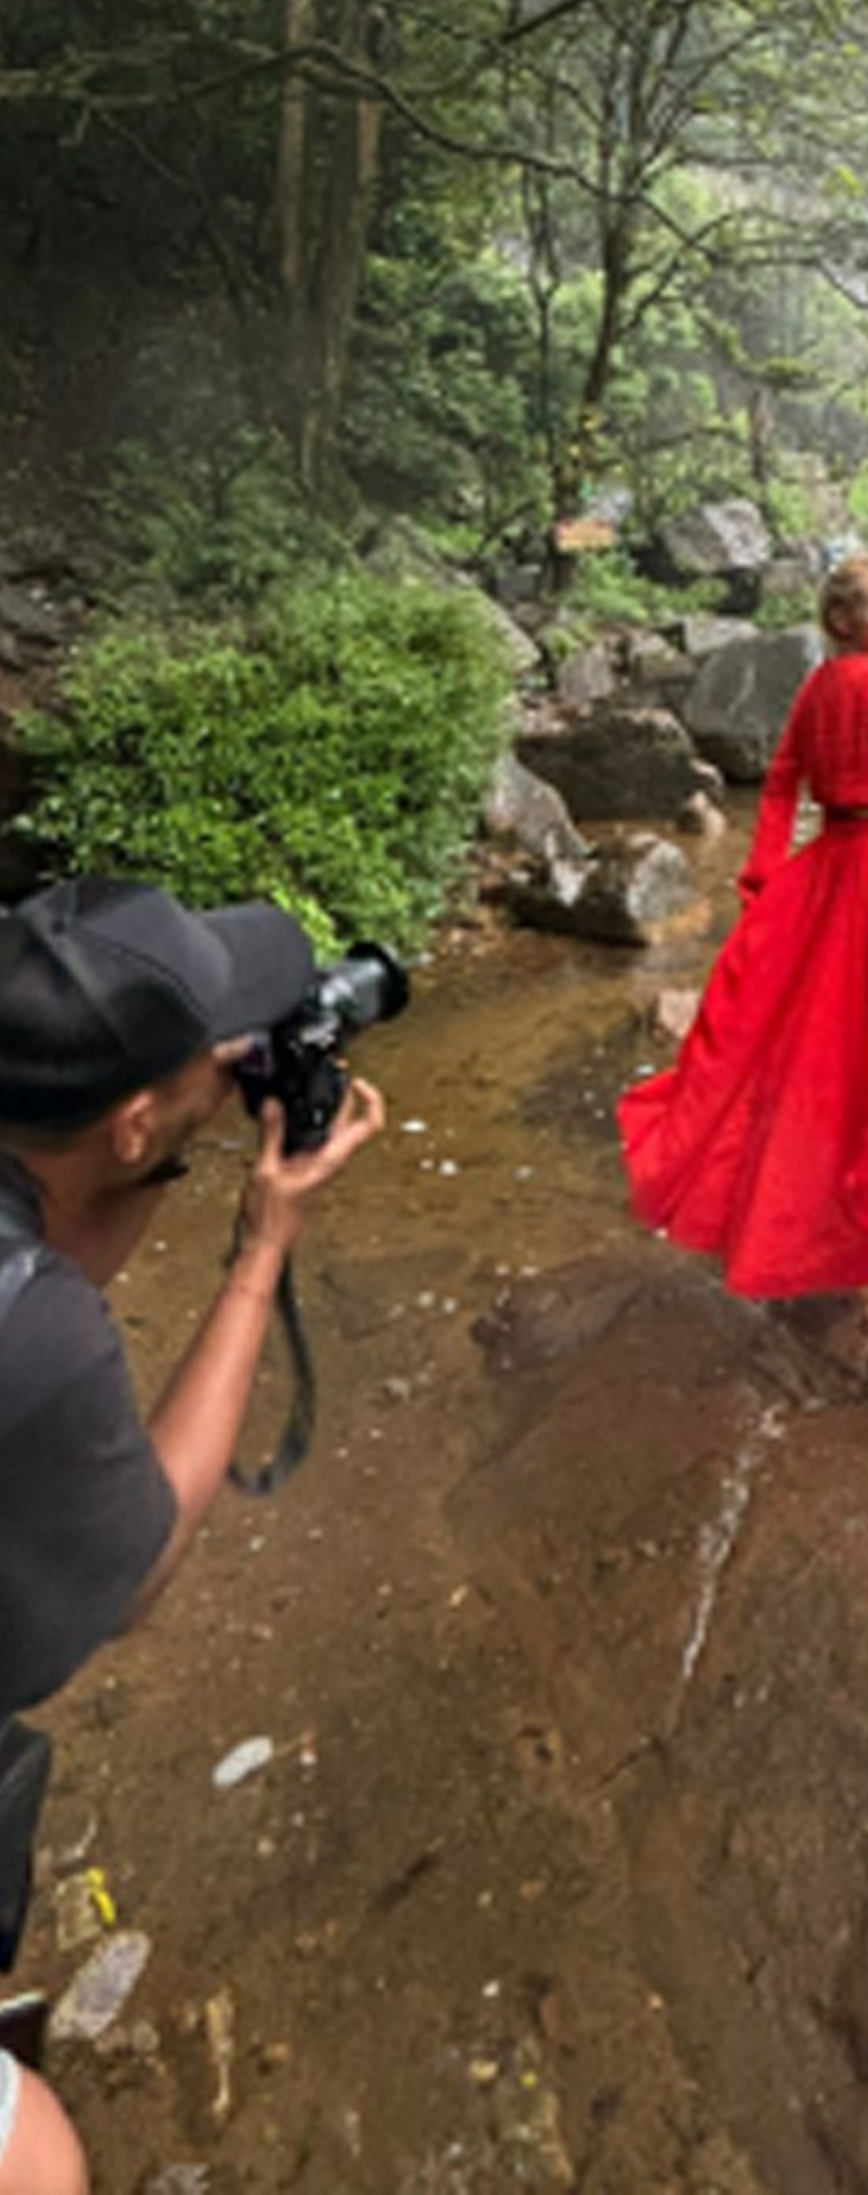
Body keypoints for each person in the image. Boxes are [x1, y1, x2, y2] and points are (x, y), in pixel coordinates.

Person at [0, 875, 385, 2195]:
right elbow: (134, 1568)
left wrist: (164, 1139)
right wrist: (259, 1249)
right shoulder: (34, 1334)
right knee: (38, 2161)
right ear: (121, 1126)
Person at [618, 551, 868, 1299]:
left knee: (833, 1045)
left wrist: (767, 872)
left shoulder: (817, 686)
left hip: (828, 870)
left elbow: (781, 787)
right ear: (841, 620)